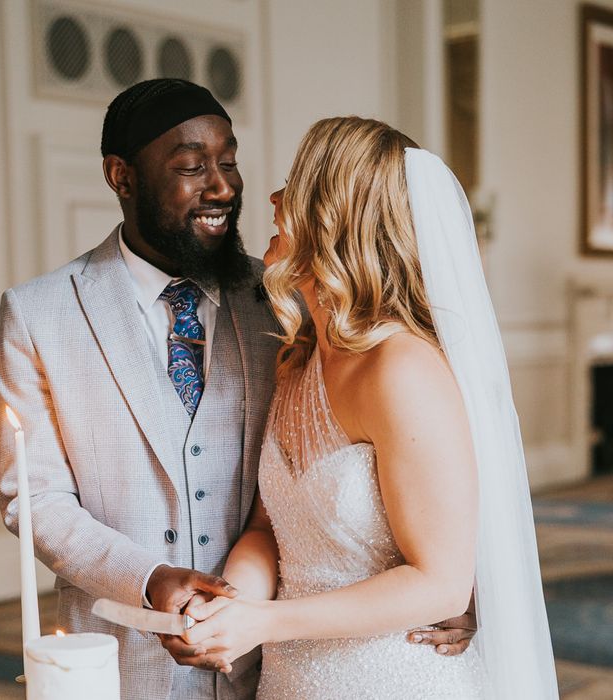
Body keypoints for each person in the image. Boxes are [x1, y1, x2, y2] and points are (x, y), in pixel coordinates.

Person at [0, 82, 477, 700]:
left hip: (281, 665)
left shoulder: (278, 302)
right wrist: (151, 579)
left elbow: (435, 504)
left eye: (230, 162)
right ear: (121, 176)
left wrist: (455, 591)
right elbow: (36, 499)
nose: (226, 187)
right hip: (128, 660)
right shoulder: (39, 314)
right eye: (194, 167)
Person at [178, 117, 559, 699]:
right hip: (292, 680)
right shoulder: (299, 359)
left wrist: (266, 623)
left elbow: (442, 585)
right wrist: (229, 602)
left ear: (336, 220)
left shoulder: (402, 370)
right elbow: (267, 526)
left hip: (396, 678)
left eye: (296, 187)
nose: (274, 199)